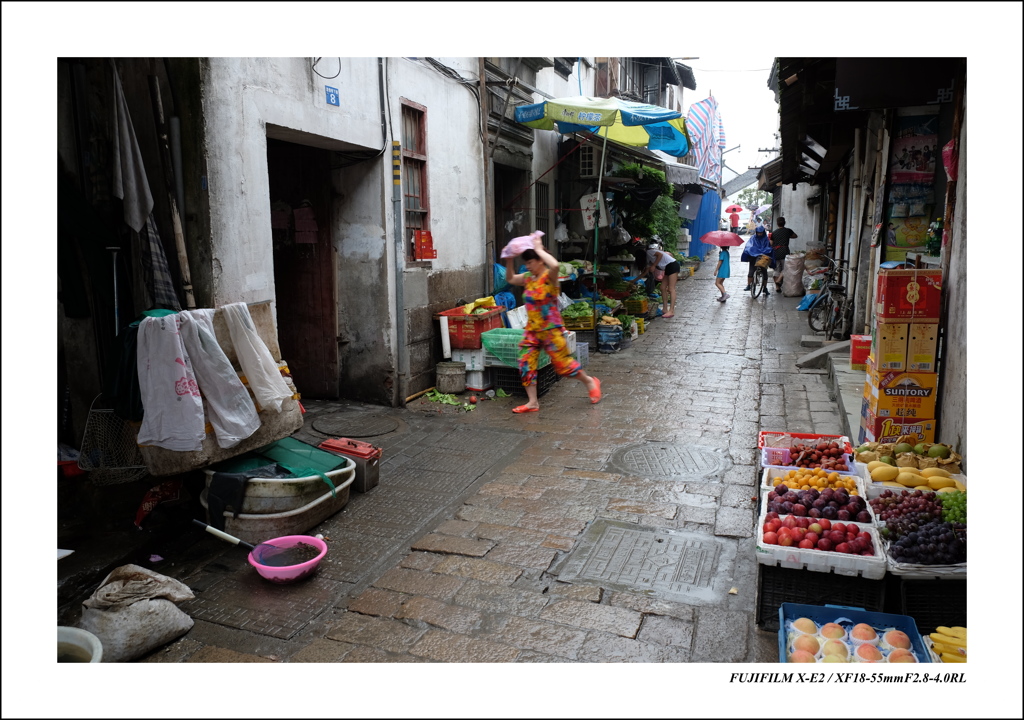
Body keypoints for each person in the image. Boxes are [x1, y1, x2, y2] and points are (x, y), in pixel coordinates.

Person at [504, 233, 601, 413]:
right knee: (525, 362)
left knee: (563, 366)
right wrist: (509, 259)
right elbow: (510, 279)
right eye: (526, 263)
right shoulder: (527, 277)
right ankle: (532, 402)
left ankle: (589, 381)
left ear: (540, 260)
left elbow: (555, 264)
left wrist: (540, 249)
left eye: (530, 262)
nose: (528, 266)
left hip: (551, 329)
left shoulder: (550, 277)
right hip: (532, 329)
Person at [635, 246, 681, 318]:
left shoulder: (649, 252)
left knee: (671, 289)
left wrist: (654, 265)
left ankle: (671, 311)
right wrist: (634, 280)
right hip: (668, 268)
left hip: (672, 265)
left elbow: (660, 255)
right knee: (662, 287)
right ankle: (665, 309)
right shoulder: (648, 259)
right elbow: (645, 272)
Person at [741, 224, 774, 292]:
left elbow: (768, 246)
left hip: (763, 258)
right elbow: (749, 245)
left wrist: (765, 251)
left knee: (764, 273)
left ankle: (765, 288)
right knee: (751, 272)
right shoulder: (753, 238)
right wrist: (752, 251)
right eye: (758, 233)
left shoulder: (766, 239)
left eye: (761, 233)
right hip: (753, 257)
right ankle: (748, 285)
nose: (759, 234)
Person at [770, 216, 798, 293]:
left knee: (777, 269)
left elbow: (771, 243)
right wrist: (787, 236)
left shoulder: (774, 233)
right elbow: (795, 236)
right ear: (784, 223)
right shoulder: (788, 231)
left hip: (776, 252)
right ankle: (779, 280)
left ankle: (777, 287)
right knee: (786, 268)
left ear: (777, 223)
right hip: (784, 251)